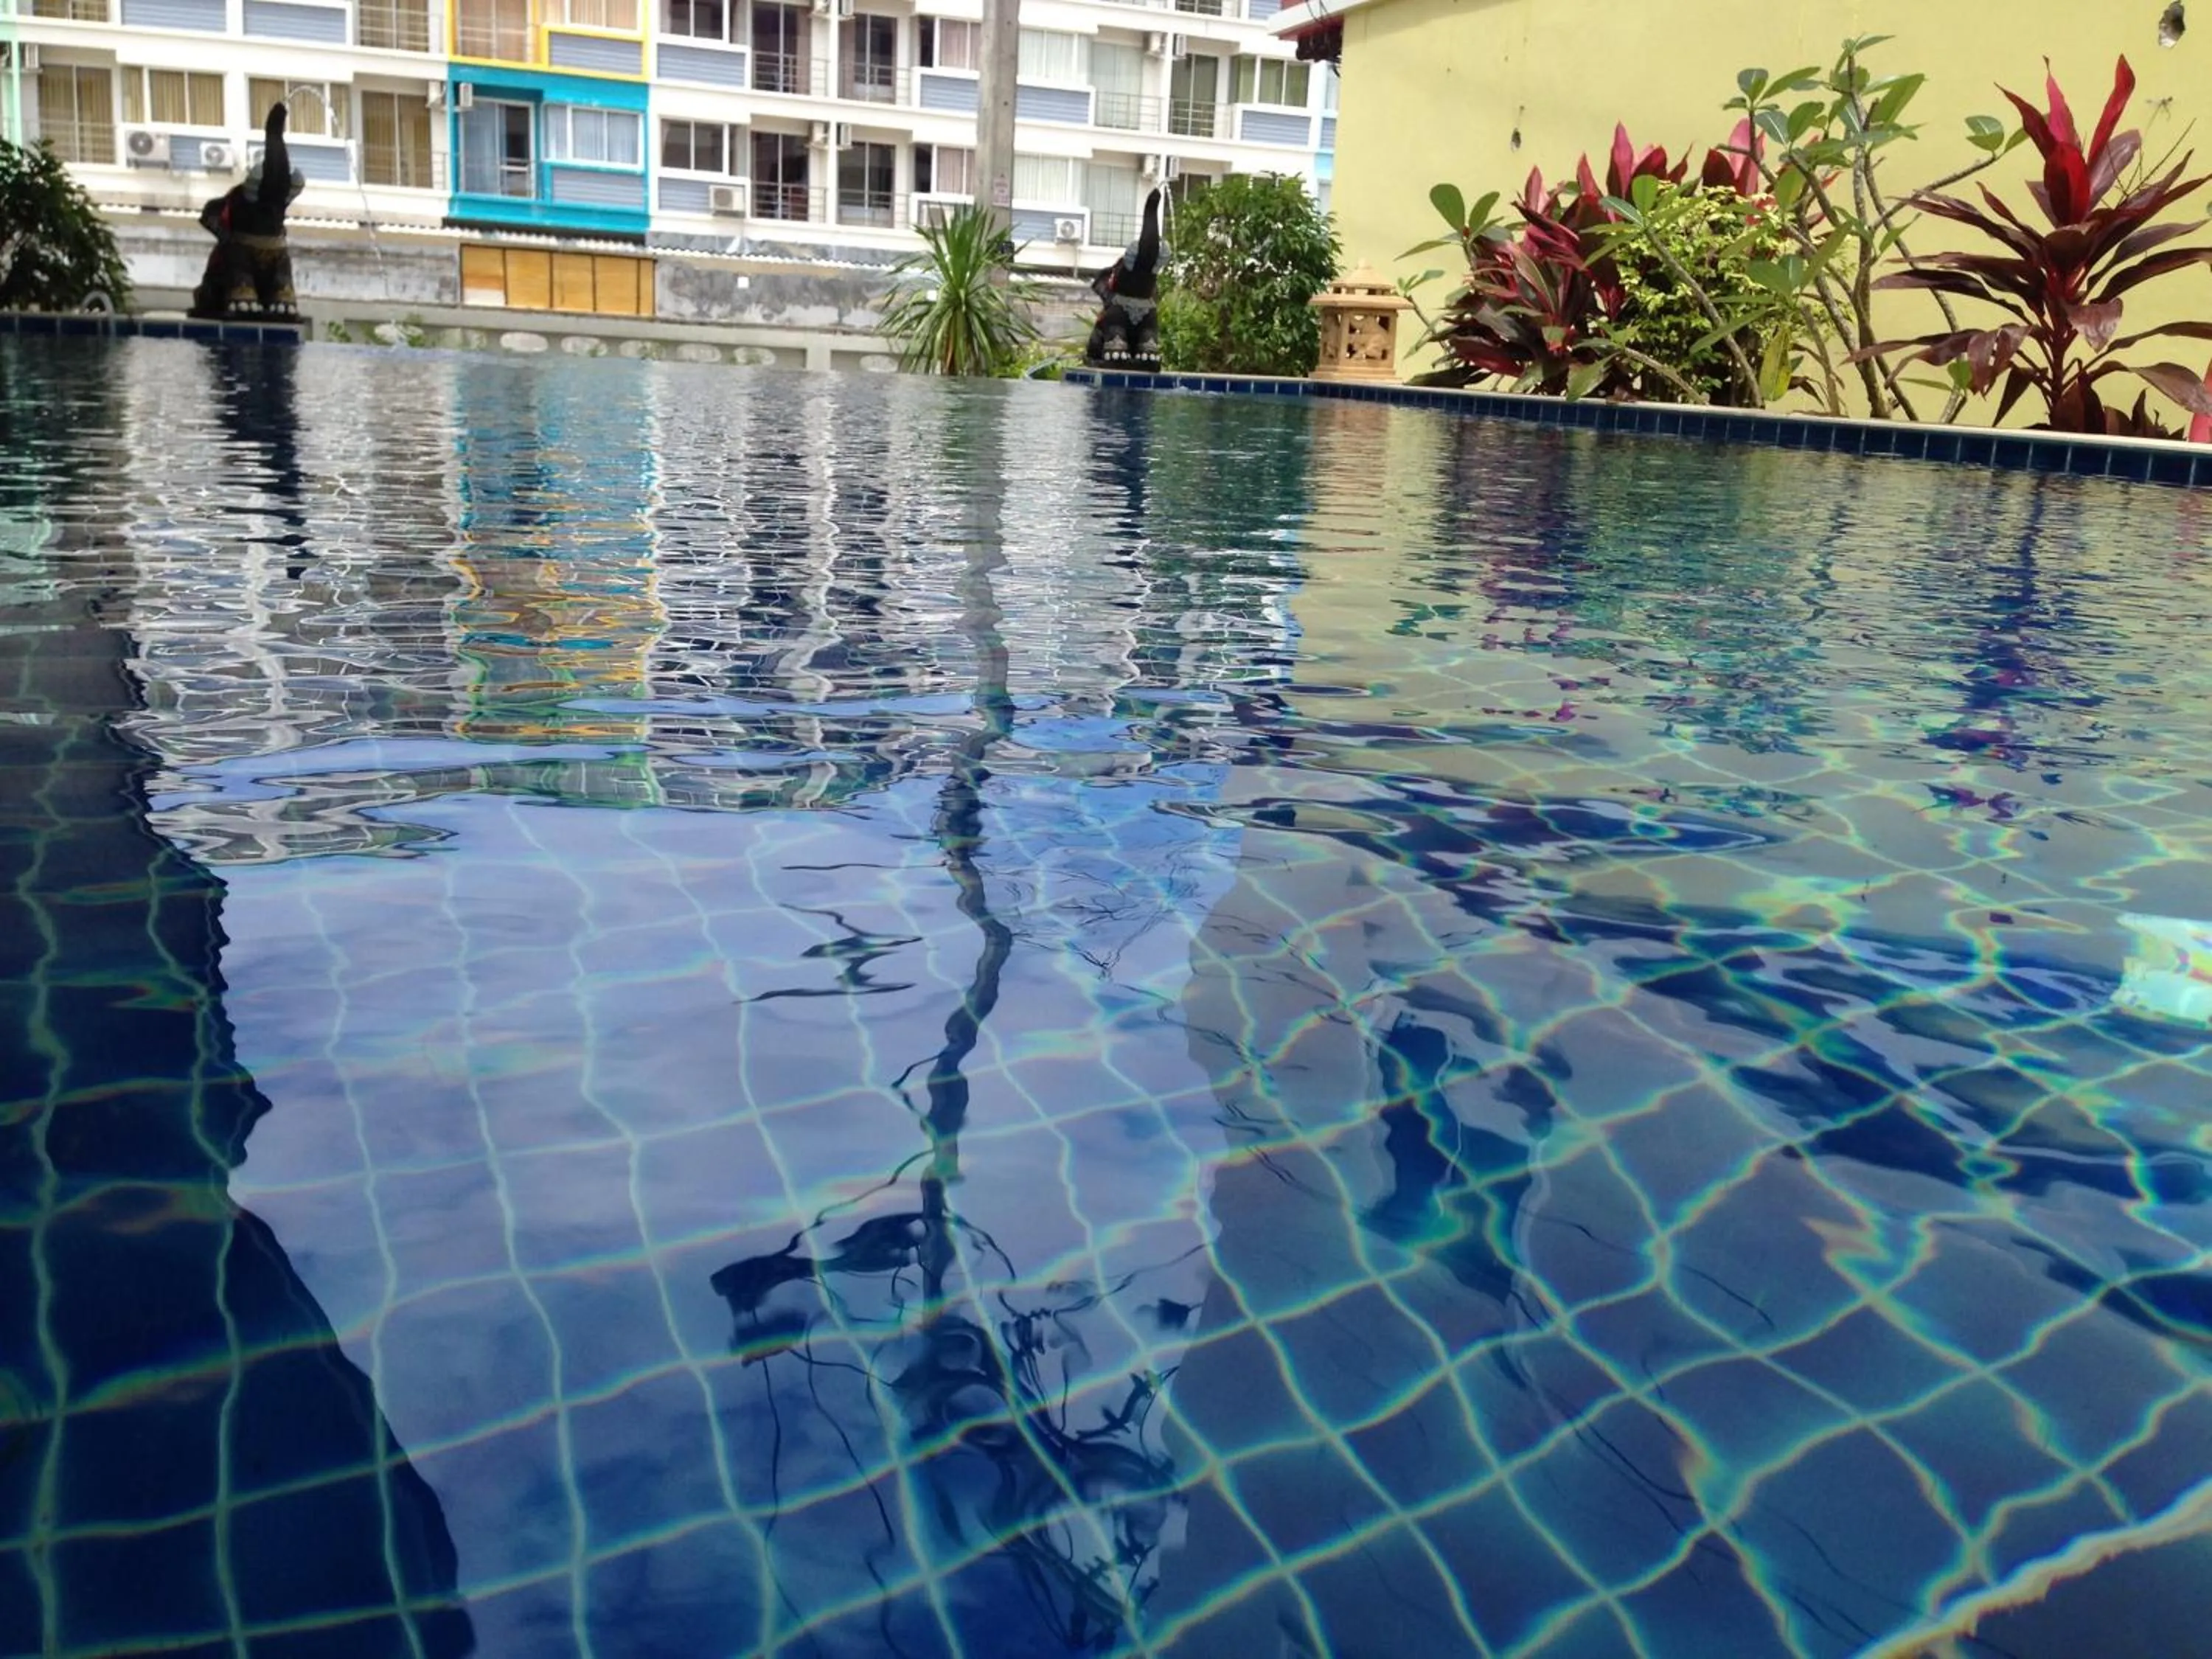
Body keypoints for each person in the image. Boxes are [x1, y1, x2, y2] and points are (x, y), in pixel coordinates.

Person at [188, 101, 305, 320]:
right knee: (238, 271)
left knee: (281, 276)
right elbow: (213, 215)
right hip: (237, 259)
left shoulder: (278, 241)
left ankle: (279, 299)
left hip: (274, 244)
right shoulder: (234, 238)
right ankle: (242, 295)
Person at [1084, 188, 1164, 371]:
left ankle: (1145, 353)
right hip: (1110, 336)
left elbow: (1150, 331)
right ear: (1108, 283)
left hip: (1144, 310)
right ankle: (1116, 349)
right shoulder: (1114, 308)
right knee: (1115, 336)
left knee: (1148, 340)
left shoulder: (1150, 307)